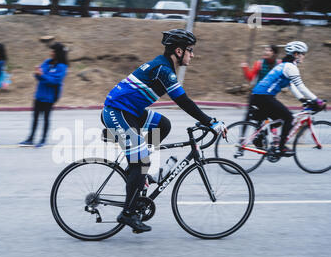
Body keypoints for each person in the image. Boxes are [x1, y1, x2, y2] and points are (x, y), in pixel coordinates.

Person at [101, 29, 227, 233]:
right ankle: (128, 213)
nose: (192, 54)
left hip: (131, 112)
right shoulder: (163, 69)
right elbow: (183, 101)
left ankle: (137, 175)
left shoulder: (165, 66)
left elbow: (182, 102)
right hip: (117, 112)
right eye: (190, 50)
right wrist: (211, 121)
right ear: (178, 51)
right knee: (141, 161)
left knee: (163, 125)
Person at [250, 41, 325, 157]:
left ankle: (259, 138)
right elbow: (301, 86)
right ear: (296, 54)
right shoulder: (290, 67)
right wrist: (317, 101)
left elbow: (292, 86)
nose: (303, 56)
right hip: (265, 97)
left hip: (258, 96)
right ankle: (281, 148)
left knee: (278, 120)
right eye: (302, 54)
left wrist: (302, 100)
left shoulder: (283, 65)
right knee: (289, 118)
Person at [20, 42, 69, 147]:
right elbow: (39, 76)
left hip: (49, 97)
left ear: (57, 53)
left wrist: (42, 75)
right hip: (39, 95)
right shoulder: (47, 62)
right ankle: (31, 138)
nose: (50, 52)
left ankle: (43, 139)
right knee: (35, 118)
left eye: (53, 50)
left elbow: (55, 81)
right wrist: (37, 73)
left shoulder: (62, 66)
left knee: (46, 118)